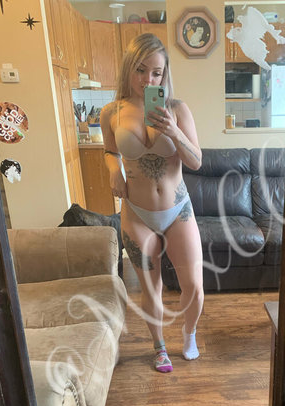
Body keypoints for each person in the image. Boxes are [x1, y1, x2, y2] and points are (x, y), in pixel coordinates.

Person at [100, 33, 204, 373]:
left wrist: (174, 131)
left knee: (194, 287)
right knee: (151, 288)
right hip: (136, 213)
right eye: (141, 70)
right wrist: (114, 170)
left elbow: (196, 161)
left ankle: (189, 334)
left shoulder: (177, 109)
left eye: (157, 73)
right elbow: (110, 151)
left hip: (178, 211)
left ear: (165, 74)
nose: (148, 80)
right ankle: (159, 347)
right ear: (128, 68)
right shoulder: (111, 112)